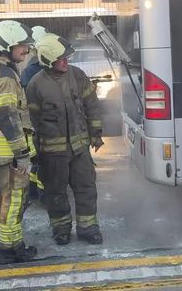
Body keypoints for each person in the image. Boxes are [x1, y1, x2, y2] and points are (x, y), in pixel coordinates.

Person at [26, 33, 104, 246]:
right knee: (55, 192)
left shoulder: (77, 75)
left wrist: (96, 133)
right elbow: (31, 121)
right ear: (48, 60)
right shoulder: (36, 85)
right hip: (52, 153)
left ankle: (89, 228)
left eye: (67, 57)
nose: (65, 61)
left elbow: (91, 104)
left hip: (80, 149)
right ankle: (61, 229)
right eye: (60, 58)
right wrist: (35, 151)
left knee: (86, 187)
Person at [0, 20, 37, 263]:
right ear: (7, 45)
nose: (26, 51)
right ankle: (12, 248)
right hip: (9, 151)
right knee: (13, 201)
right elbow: (7, 116)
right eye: (22, 46)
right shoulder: (6, 75)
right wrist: (21, 152)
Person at [20, 25, 49, 204]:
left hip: (32, 121)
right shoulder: (35, 70)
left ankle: (33, 192)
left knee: (35, 159)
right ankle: (41, 194)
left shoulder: (28, 67)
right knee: (40, 160)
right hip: (38, 121)